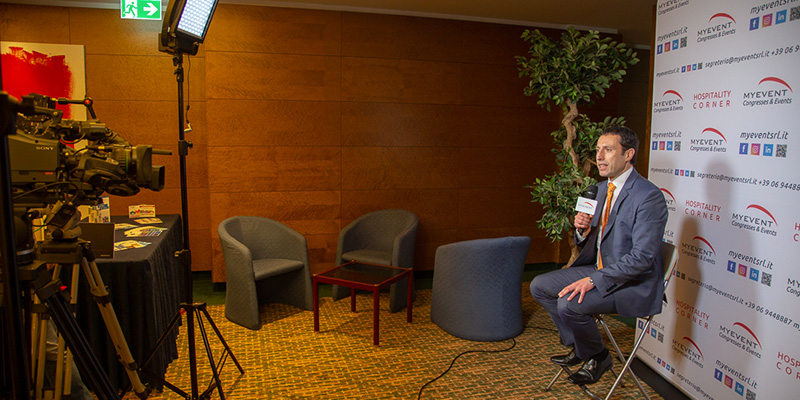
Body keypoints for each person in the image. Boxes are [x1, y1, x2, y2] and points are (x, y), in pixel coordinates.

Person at [530, 126, 668, 385]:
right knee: (540, 286)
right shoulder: (600, 189)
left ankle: (598, 357)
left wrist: (593, 280)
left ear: (628, 154)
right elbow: (592, 241)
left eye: (608, 150)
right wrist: (581, 230)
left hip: (632, 282)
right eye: (597, 150)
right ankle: (583, 348)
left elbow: (642, 257)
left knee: (569, 304)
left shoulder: (649, 196)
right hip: (600, 268)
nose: (599, 157)